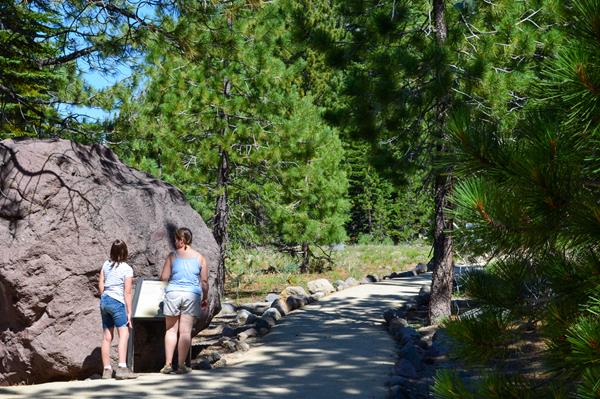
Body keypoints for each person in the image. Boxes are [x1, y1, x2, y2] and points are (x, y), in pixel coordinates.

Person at [159, 227, 208, 374]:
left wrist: (166, 289)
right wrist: (205, 298)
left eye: (176, 239)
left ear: (182, 240)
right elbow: (204, 282)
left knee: (171, 330)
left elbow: (164, 278)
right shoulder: (200, 258)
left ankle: (168, 364)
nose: (175, 242)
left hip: (173, 293)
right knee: (185, 332)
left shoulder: (172, 256)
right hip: (191, 295)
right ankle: (181, 365)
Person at [99, 239, 138, 380]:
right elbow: (127, 292)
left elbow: (101, 285)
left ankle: (107, 370)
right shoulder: (127, 269)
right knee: (124, 333)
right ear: (125, 252)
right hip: (117, 301)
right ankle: (122, 367)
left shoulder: (105, 265)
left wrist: (105, 296)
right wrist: (129, 312)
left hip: (104, 301)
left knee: (107, 337)